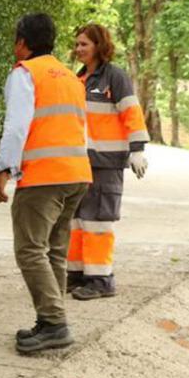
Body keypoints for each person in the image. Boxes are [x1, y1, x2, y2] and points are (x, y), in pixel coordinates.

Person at [0, 13, 92, 355]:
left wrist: (3, 168)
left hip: (45, 176)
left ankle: (54, 323)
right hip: (77, 174)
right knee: (55, 251)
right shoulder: (70, 76)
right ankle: (49, 320)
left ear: (22, 42)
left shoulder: (25, 74)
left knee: (30, 249)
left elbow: (16, 126)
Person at [68, 23, 149, 300]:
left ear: (99, 46)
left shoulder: (115, 77)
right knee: (77, 221)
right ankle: (77, 274)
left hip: (108, 162)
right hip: (82, 162)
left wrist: (138, 148)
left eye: (84, 44)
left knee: (98, 223)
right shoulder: (79, 80)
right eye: (77, 44)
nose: (78, 49)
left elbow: (131, 112)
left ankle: (101, 280)